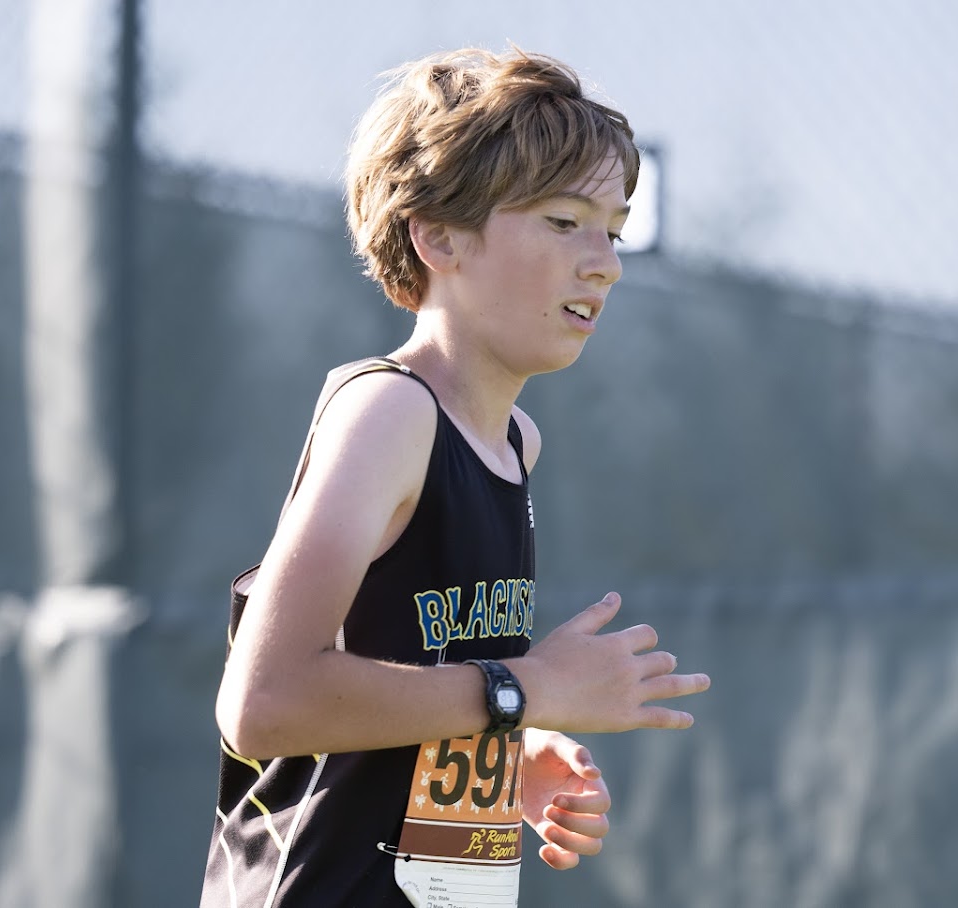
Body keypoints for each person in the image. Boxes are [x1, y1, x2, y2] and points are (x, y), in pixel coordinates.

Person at [200, 48, 710, 908]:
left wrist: (507, 750)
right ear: (438, 236)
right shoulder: (390, 414)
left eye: (614, 231)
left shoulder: (516, 442)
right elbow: (265, 702)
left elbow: (415, 676)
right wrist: (526, 690)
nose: (605, 263)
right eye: (564, 221)